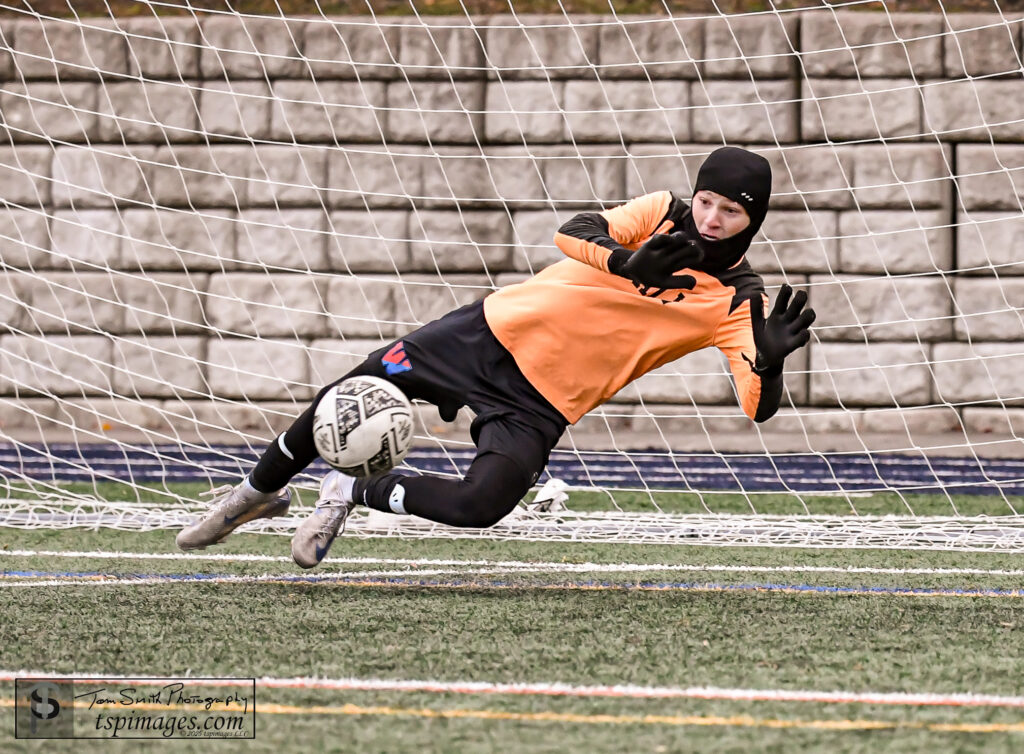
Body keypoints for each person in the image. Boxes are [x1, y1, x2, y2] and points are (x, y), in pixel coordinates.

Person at [176, 146, 815, 568]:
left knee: (479, 507)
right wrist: (626, 259)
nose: (709, 217)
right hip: (486, 335)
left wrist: (772, 361)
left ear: (751, 221)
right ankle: (253, 494)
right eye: (706, 201)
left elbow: (756, 408)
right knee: (344, 394)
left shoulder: (739, 300)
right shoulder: (661, 213)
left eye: (729, 212)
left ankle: (350, 487)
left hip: (540, 403)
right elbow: (573, 231)